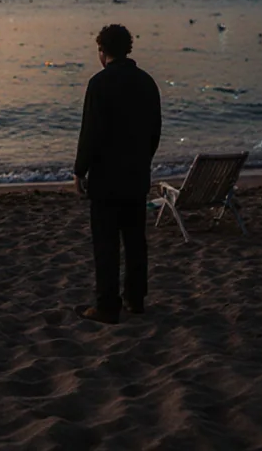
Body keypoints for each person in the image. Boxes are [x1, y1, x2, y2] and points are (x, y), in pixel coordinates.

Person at [73, 23, 162, 324]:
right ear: (128, 49)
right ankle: (135, 300)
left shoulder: (99, 84)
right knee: (136, 242)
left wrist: (79, 170)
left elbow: (90, 133)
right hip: (136, 175)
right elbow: (155, 131)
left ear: (102, 51)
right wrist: (142, 160)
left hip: (106, 179)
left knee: (106, 245)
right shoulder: (147, 82)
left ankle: (107, 305)